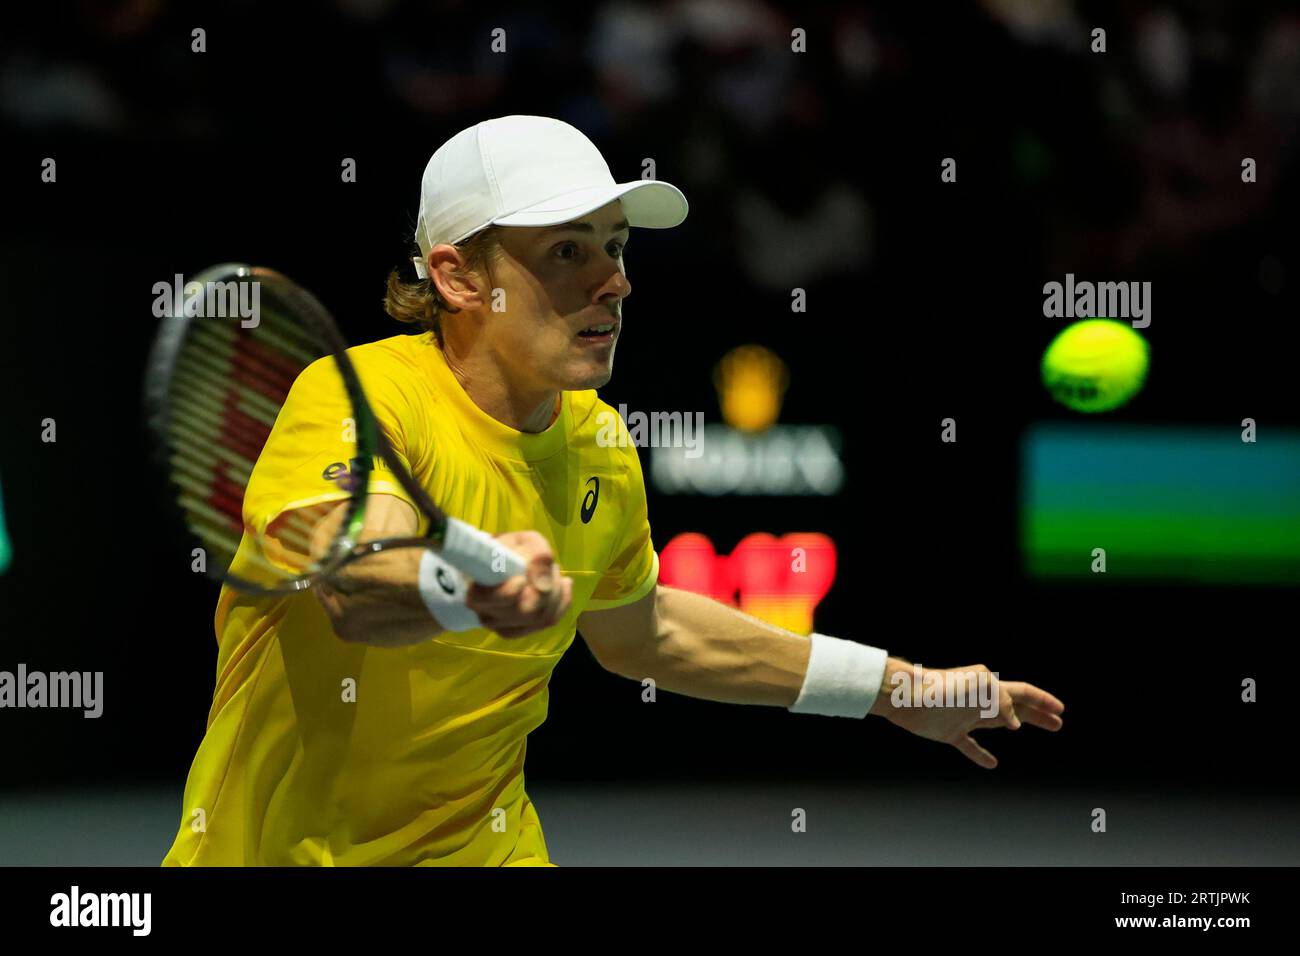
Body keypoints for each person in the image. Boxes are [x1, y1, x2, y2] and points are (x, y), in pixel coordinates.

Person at [163, 115, 1064, 867]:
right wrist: (465, 589)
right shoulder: (360, 398)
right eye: (566, 251)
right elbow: (355, 579)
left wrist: (895, 688)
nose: (616, 280)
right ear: (457, 276)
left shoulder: (596, 437)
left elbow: (647, 630)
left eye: (616, 247)